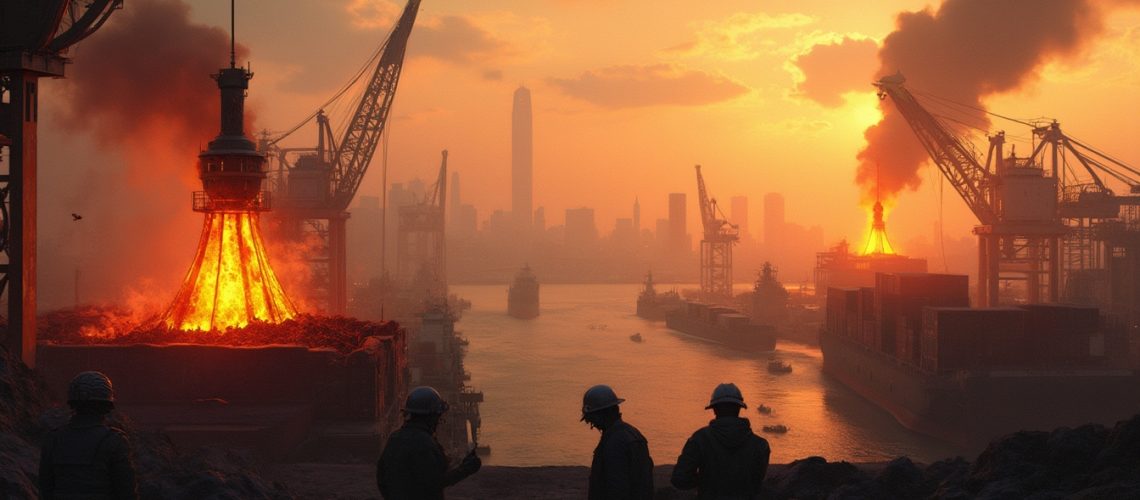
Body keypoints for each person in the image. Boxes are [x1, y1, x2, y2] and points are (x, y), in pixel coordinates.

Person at [39, 371, 139, 500]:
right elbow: (126, 491)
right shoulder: (114, 441)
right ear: (106, 405)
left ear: (73, 403)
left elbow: (45, 488)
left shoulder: (53, 439)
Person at [376, 386, 481, 499]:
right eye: (437, 416)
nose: (438, 421)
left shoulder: (394, 438)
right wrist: (466, 468)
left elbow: (381, 477)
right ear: (431, 417)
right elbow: (436, 481)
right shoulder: (425, 443)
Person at [671, 382, 771, 499]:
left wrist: (705, 480)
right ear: (739, 408)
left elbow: (680, 479)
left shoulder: (699, 439)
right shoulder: (760, 445)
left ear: (714, 409)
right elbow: (756, 482)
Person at [580, 384, 654, 500]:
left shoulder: (614, 442)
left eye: (591, 417)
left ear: (601, 415)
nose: (592, 423)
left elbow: (617, 488)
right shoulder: (633, 434)